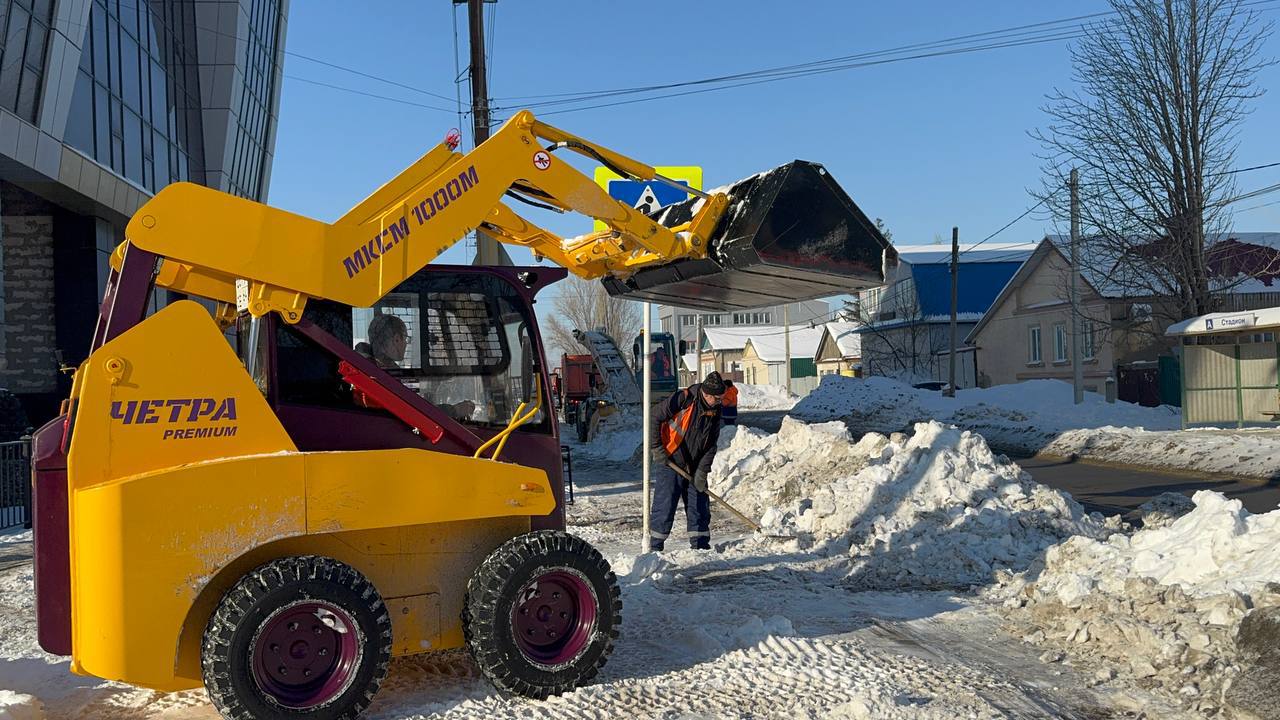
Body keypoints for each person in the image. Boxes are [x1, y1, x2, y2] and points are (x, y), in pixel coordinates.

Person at [648, 371, 726, 551]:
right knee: (665, 504)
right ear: (706, 394)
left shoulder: (715, 409)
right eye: (717, 398)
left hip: (695, 464)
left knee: (699, 505)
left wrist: (702, 471)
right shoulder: (684, 399)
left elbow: (711, 444)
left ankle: (701, 547)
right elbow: (654, 416)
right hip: (670, 459)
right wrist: (656, 448)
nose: (720, 401)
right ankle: (655, 549)